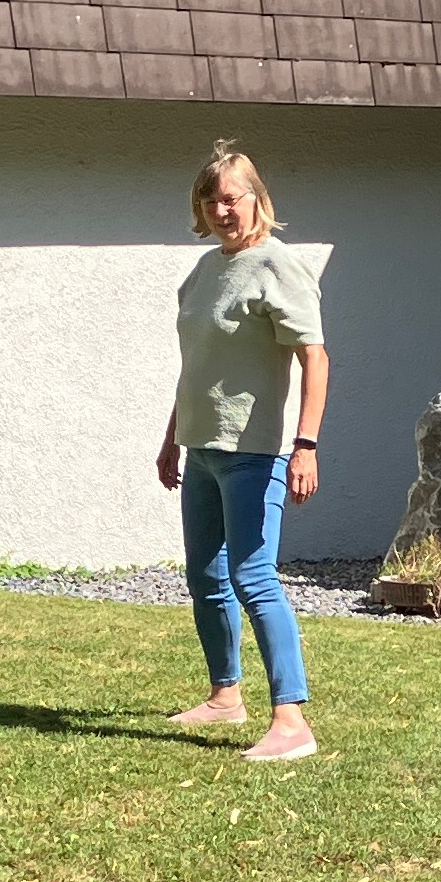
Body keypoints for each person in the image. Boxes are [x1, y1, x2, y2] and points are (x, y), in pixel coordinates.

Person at [160, 141, 327, 762]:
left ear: (257, 198)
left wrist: (305, 445)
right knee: (205, 577)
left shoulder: (278, 265)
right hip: (201, 448)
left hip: (255, 453)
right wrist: (172, 437)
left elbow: (315, 358)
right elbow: (197, 365)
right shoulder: (205, 271)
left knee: (253, 577)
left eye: (232, 198)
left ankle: (292, 721)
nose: (222, 210)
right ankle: (225, 696)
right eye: (211, 201)